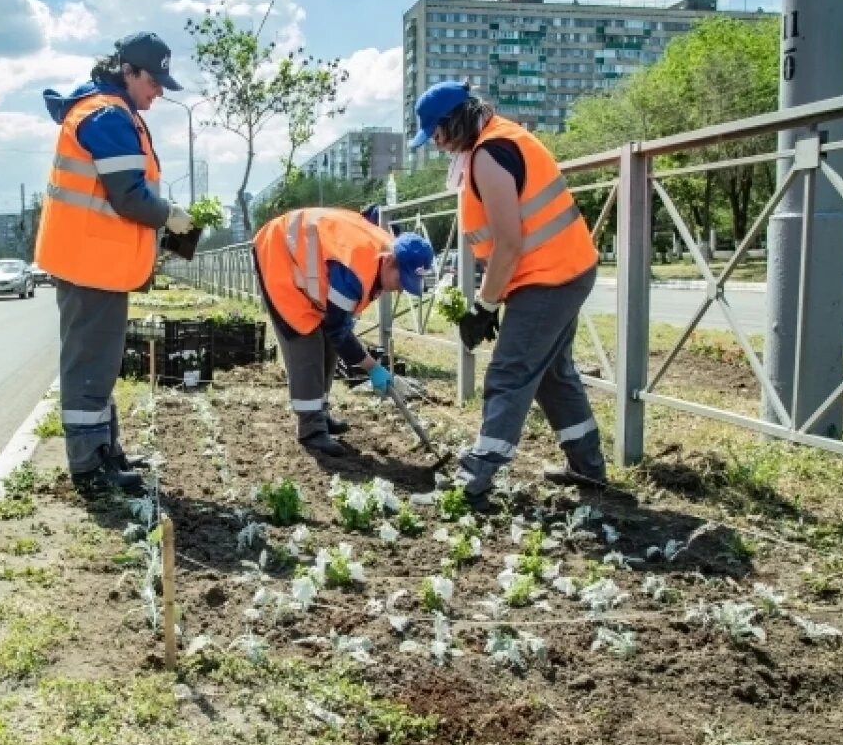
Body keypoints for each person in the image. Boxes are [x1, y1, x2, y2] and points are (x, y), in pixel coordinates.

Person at [409, 80, 607, 508]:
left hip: (549, 276)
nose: (437, 145)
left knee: (509, 372)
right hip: (561, 269)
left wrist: (484, 306)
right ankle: (587, 469)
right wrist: (494, 296)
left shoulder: (489, 154)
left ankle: (476, 474)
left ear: (455, 121)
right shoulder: (493, 140)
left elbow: (510, 243)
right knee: (553, 376)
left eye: (437, 135)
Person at [35, 32, 194, 498]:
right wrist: (170, 216)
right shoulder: (106, 115)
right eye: (154, 79)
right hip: (89, 264)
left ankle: (107, 453)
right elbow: (127, 196)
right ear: (127, 71)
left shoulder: (115, 112)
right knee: (88, 368)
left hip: (96, 264)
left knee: (99, 367)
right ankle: (89, 469)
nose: (160, 90)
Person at [252, 206, 435, 456]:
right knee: (306, 342)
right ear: (390, 261)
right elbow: (336, 329)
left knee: (328, 345)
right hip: (279, 255)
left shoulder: (383, 252)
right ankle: (311, 430)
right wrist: (372, 367)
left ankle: (320, 414)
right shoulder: (354, 273)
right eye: (401, 280)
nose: (401, 289)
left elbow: (370, 212)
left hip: (301, 261)